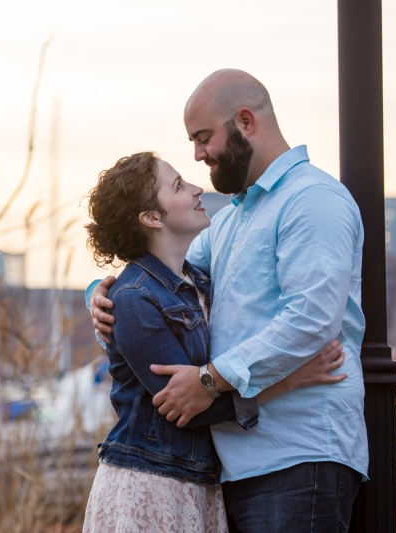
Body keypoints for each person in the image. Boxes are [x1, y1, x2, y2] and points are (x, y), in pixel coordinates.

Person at [90, 70, 369, 532]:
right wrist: (98, 295)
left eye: (203, 138)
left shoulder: (312, 200)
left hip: (299, 455)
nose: (198, 156)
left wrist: (211, 380)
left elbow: (311, 318)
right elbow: (158, 273)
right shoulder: (233, 221)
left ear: (244, 122)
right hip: (235, 466)